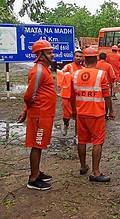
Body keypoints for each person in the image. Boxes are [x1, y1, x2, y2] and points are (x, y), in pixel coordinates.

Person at [17, 40, 57, 190]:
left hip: (45, 114)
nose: (52, 54)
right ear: (40, 55)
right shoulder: (38, 71)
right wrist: (26, 111)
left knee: (39, 145)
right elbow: (29, 95)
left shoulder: (44, 69)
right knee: (36, 145)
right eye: (48, 52)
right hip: (39, 115)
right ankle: (33, 179)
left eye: (52, 51)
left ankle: (37, 172)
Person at [71, 47, 114, 182]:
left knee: (82, 140)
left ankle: (83, 166)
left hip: (81, 113)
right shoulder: (101, 74)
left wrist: (73, 111)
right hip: (96, 114)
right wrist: (111, 111)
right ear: (96, 59)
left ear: (83, 59)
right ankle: (96, 172)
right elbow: (107, 95)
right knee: (97, 142)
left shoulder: (76, 74)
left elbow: (72, 96)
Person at [60, 49, 84, 137]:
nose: (78, 58)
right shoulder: (68, 67)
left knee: (78, 115)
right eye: (77, 56)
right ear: (74, 57)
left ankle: (77, 135)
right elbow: (60, 77)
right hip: (67, 94)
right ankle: (66, 124)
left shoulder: (83, 69)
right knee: (66, 113)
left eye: (80, 56)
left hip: (78, 96)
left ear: (83, 58)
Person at [96, 52, 116, 118]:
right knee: (106, 99)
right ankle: (105, 114)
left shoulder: (95, 64)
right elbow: (112, 76)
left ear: (99, 57)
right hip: (106, 85)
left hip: (95, 85)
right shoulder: (108, 65)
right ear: (106, 58)